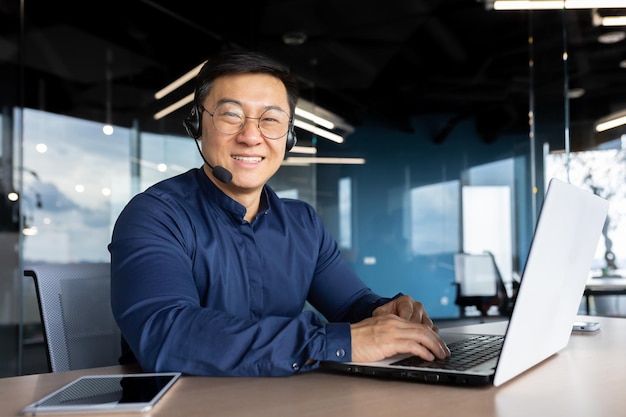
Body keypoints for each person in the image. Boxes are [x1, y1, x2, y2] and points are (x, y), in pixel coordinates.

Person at [108, 50, 450, 377]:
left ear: (288, 136)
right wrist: (336, 341)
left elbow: (350, 304)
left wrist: (383, 313)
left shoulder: (303, 223)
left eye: (270, 120)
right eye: (231, 115)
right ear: (198, 123)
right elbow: (167, 334)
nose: (251, 136)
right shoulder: (155, 215)